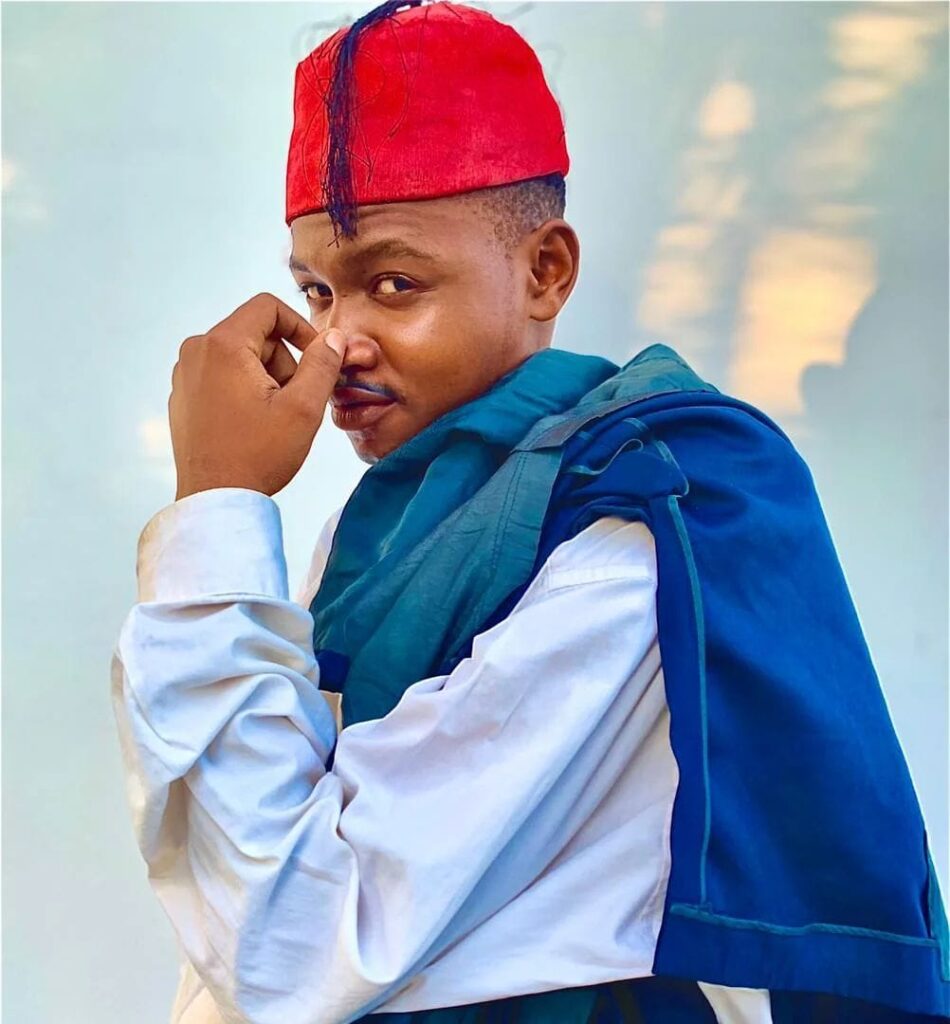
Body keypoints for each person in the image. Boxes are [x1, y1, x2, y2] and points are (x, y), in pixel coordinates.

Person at [110, 3, 950, 1023]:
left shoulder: (632, 527)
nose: (339, 344)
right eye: (318, 293)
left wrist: (215, 509)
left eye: (393, 283)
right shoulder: (387, 520)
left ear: (544, 270)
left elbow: (288, 942)